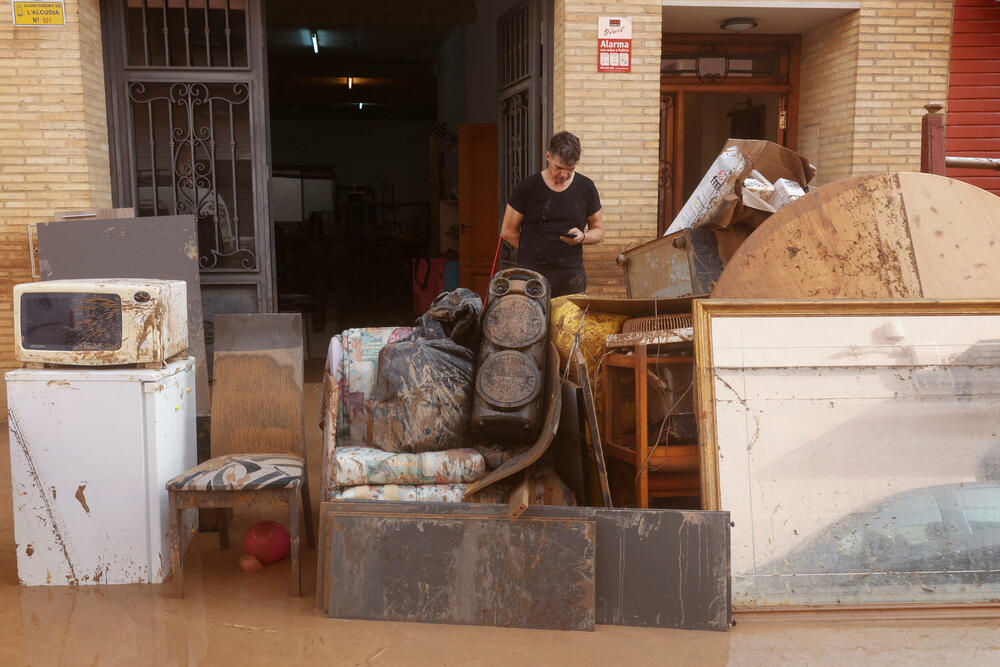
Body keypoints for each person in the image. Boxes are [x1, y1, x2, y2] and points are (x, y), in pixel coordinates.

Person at [500, 131, 604, 297]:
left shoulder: (586, 187)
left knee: (570, 323)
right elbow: (507, 231)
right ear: (548, 156)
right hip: (532, 276)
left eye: (570, 169)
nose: (564, 174)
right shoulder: (527, 187)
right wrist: (534, 250)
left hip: (571, 276)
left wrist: (583, 237)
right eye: (559, 168)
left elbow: (599, 230)